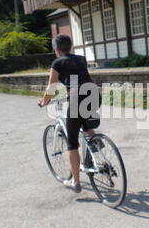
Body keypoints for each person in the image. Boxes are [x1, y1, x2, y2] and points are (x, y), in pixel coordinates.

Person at [38, 34, 101, 194]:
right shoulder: (81, 59)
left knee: (72, 144)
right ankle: (96, 146)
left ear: (56, 50)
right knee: (86, 125)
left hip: (77, 98)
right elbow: (78, 78)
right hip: (93, 94)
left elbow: (51, 88)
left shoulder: (57, 63)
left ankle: (76, 181)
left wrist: (44, 101)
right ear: (70, 46)